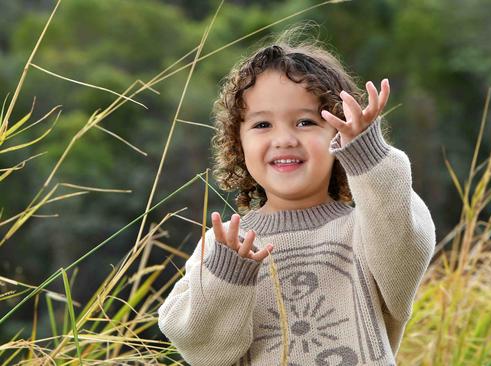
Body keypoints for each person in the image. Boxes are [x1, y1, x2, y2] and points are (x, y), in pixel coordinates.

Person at [158, 28, 436, 366]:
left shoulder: (370, 229)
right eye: (262, 125)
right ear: (237, 143)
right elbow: (203, 351)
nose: (284, 139)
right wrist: (227, 276)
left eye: (305, 122)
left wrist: (368, 153)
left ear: (339, 133)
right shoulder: (226, 245)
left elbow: (407, 247)